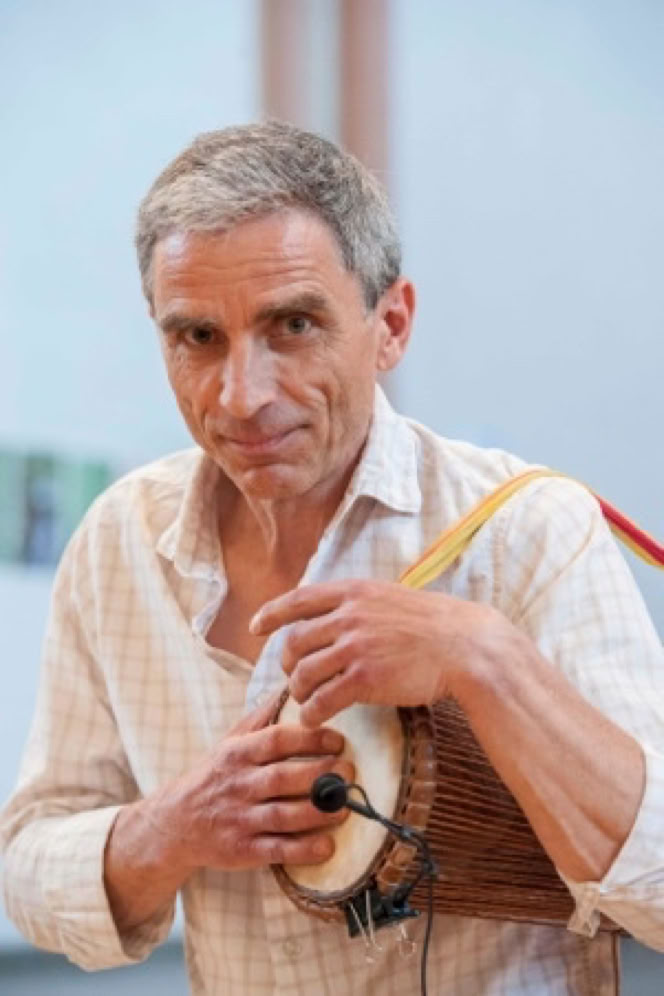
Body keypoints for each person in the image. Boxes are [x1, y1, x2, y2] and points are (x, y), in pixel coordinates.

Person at [2, 121, 663, 996]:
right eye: (197, 337)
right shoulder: (116, 542)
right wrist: (169, 829)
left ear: (391, 325)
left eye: (294, 325)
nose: (243, 396)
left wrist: (484, 659)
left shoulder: (530, 527)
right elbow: (28, 865)